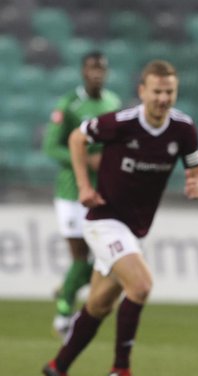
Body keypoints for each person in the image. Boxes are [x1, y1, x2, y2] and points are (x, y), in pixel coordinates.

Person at [41, 59, 198, 376]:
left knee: (99, 305)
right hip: (103, 220)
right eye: (157, 91)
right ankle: (120, 368)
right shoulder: (121, 122)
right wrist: (85, 186)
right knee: (141, 285)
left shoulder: (183, 129)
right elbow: (75, 138)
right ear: (142, 91)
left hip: (134, 230)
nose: (163, 98)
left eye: (170, 92)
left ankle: (59, 366)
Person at [42, 51, 122, 339]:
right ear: (82, 72)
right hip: (70, 190)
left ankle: (67, 287)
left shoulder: (113, 103)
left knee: (103, 258)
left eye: (102, 68)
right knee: (80, 257)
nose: (97, 73)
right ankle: (64, 312)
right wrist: (85, 161)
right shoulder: (69, 104)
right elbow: (51, 146)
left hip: (102, 191)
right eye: (92, 68)